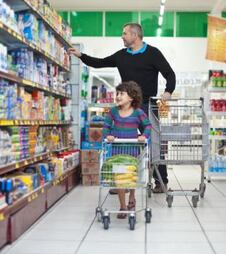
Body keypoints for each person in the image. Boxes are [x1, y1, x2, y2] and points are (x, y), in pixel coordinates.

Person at [68, 22, 175, 193]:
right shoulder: (121, 55)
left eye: (124, 33)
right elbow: (99, 62)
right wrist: (81, 55)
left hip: (148, 104)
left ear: (135, 35)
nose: (122, 36)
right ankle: (122, 182)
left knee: (154, 144)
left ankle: (160, 182)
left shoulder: (153, 53)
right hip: (126, 105)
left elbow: (170, 74)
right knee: (122, 142)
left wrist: (168, 91)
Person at [103, 81, 151, 219]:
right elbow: (106, 126)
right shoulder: (113, 111)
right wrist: (108, 136)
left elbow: (147, 126)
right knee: (120, 179)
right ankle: (123, 206)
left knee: (131, 177)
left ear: (131, 97)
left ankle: (132, 195)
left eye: (121, 94)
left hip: (133, 150)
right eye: (117, 93)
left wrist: (143, 136)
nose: (118, 96)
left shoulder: (138, 112)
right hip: (117, 151)